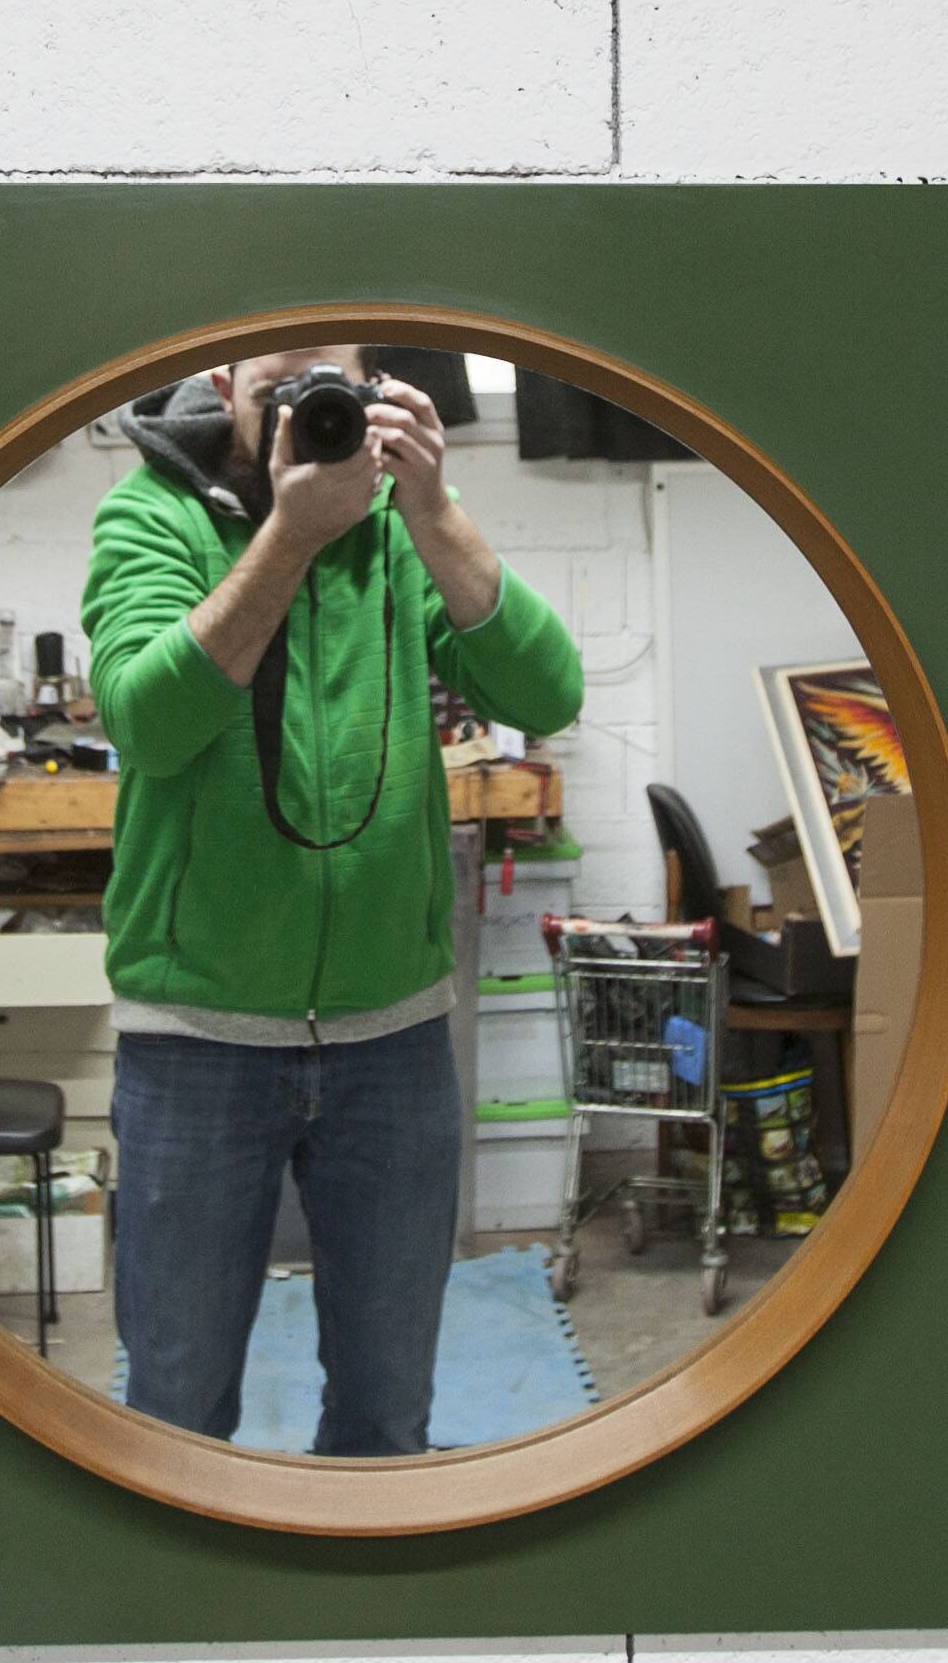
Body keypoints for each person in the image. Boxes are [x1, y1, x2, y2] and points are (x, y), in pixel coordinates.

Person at [81, 346, 583, 1456]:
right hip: (195, 1041)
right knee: (176, 1408)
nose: (314, 415)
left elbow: (551, 691)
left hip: (391, 1037)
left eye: (334, 389)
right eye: (282, 388)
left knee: (387, 1412)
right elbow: (149, 724)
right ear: (223, 390)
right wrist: (291, 538)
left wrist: (436, 507)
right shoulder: (151, 514)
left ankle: (370, 1628)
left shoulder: (404, 524)